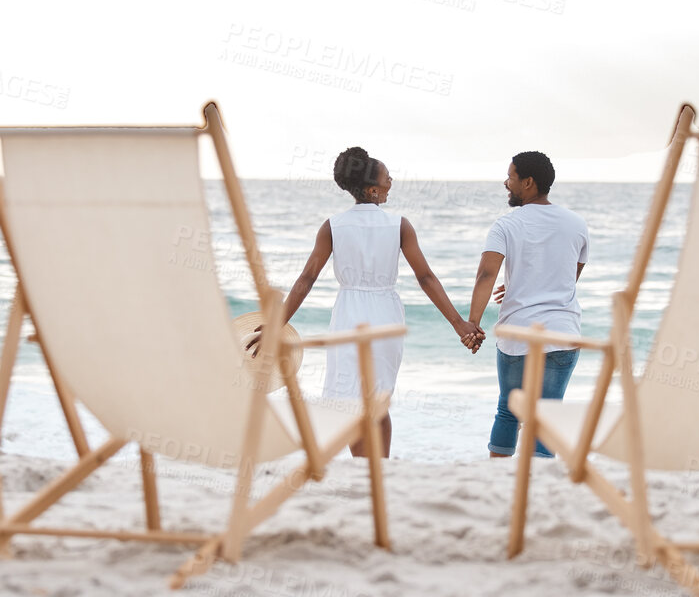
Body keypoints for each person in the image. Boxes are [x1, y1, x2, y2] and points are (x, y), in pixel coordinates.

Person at [249, 147, 483, 457]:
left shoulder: (333, 225)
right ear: (372, 190)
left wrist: (277, 325)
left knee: (349, 401)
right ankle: (378, 470)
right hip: (386, 314)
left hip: (348, 314)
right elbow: (426, 278)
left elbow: (306, 279)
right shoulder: (399, 225)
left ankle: (364, 469)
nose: (391, 183)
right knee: (379, 399)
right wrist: (459, 325)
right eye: (387, 178)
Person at [466, 151, 589, 458]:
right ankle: (537, 489)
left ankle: (498, 479)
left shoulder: (506, 225)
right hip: (562, 334)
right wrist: (527, 282)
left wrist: (472, 323)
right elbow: (569, 277)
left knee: (508, 409)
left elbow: (486, 274)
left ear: (528, 182)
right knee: (547, 417)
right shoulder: (576, 224)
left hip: (518, 336)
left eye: (511, 177)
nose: (506, 183)